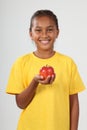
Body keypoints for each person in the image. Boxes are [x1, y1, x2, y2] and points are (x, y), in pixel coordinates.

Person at [6, 9, 85, 130]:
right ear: (31, 34)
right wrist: (35, 82)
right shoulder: (21, 63)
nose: (44, 35)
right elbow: (21, 104)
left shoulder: (68, 63)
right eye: (38, 30)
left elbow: (74, 104)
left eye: (50, 29)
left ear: (57, 32)